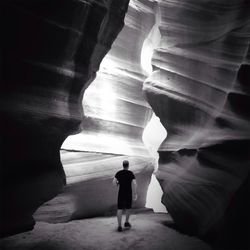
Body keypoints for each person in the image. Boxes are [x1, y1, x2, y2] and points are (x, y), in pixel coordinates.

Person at [113, 160, 137, 232]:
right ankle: (126, 222)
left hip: (121, 193)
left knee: (119, 209)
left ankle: (119, 226)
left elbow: (114, 182)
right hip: (128, 193)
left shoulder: (119, 173)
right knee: (128, 208)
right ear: (128, 165)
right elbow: (135, 183)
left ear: (123, 165)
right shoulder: (130, 173)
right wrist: (135, 193)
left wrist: (117, 183)